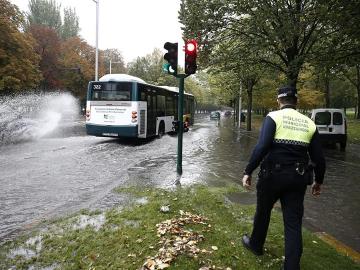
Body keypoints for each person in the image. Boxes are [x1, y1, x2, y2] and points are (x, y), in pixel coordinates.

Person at [241, 86, 326, 270]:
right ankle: (292, 266)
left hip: (272, 176)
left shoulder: (273, 117)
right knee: (293, 222)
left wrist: (248, 170)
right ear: (297, 101)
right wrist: (318, 181)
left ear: (278, 100)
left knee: (263, 211)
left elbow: (262, 147)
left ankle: (255, 245)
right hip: (298, 178)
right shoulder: (309, 123)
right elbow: (319, 158)